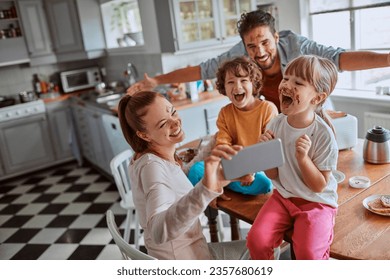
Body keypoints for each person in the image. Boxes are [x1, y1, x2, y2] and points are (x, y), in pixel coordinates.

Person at [127, 10, 390, 110]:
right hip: (276, 119)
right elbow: (202, 70)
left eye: (264, 42)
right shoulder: (237, 54)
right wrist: (157, 80)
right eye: (251, 46)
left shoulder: (298, 46)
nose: (259, 51)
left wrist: (387, 59)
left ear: (276, 36)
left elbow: (340, 58)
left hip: (313, 114)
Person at [117, 90, 248, 260]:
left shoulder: (149, 157)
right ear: (144, 135)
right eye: (163, 123)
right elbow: (158, 231)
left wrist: (212, 160)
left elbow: (175, 180)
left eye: (172, 112)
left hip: (193, 252)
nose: (175, 122)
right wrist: (206, 189)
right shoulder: (152, 167)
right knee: (264, 247)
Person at [246, 55, 339, 260]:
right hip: (283, 197)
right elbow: (273, 174)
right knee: (256, 240)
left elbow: (319, 186)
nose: (287, 85)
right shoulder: (275, 125)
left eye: (298, 82)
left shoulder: (323, 135)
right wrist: (266, 153)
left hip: (316, 203)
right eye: (286, 78)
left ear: (317, 98)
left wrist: (303, 158)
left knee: (307, 253)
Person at [186, 56, 278, 195]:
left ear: (253, 84)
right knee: (195, 171)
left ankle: (216, 185)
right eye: (230, 82)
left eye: (243, 80)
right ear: (224, 88)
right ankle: (217, 186)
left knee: (264, 184)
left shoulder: (267, 109)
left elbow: (268, 151)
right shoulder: (225, 113)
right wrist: (235, 171)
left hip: (258, 169)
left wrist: (249, 170)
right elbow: (223, 145)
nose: (237, 86)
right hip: (231, 166)